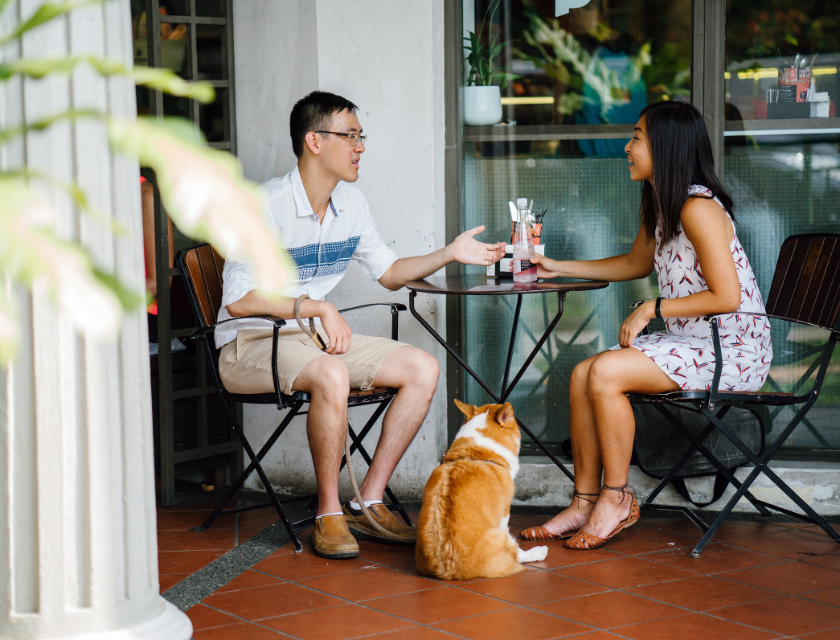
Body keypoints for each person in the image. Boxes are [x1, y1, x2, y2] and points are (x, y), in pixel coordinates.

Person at [217, 91, 506, 559]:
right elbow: (238, 303)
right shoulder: (263, 204)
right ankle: (327, 514)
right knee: (330, 372)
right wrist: (316, 307)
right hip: (251, 342)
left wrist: (451, 253)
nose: (360, 146)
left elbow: (390, 273)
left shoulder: (350, 203)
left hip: (310, 339)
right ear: (314, 140)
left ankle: (367, 501)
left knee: (422, 368)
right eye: (349, 136)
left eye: (360, 136)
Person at [520, 100, 772, 550]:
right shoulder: (662, 203)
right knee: (582, 375)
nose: (626, 146)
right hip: (692, 341)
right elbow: (636, 263)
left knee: (604, 372)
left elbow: (727, 298)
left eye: (637, 137)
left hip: (731, 350)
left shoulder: (698, 209)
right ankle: (584, 502)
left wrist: (651, 308)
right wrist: (560, 266)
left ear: (668, 147)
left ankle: (616, 501)